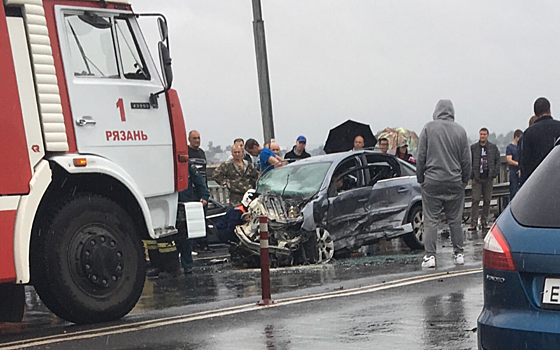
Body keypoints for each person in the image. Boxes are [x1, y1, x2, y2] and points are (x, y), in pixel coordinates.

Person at [416, 100, 471, 268]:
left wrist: (421, 178)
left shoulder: (428, 128)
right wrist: (463, 181)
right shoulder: (461, 131)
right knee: (455, 219)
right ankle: (459, 253)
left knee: (431, 219)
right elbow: (466, 160)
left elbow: (421, 156)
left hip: (432, 180)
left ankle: (430, 256)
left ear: (436, 111)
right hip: (454, 181)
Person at [176, 162, 209, 274]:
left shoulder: (188, 166)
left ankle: (187, 265)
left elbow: (200, 182)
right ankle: (171, 266)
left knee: (186, 237)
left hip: (185, 204)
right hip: (171, 204)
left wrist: (204, 196)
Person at [520, 97, 560, 184]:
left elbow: (525, 163)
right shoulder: (558, 127)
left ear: (535, 112)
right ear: (549, 109)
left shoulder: (529, 133)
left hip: (538, 182)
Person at [469, 128, 500, 231]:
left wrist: (494, 173)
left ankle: (484, 222)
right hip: (477, 178)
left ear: (487, 135)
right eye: (481, 134)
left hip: (488, 177)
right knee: (475, 200)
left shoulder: (493, 148)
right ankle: (473, 223)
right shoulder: (473, 148)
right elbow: (469, 161)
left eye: (484, 134)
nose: (482, 136)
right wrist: (472, 174)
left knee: (487, 200)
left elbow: (497, 160)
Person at [506, 129, 523, 200]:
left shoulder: (521, 147)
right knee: (513, 190)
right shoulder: (510, 147)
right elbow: (509, 160)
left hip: (521, 171)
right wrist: (519, 164)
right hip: (513, 172)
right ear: (516, 137)